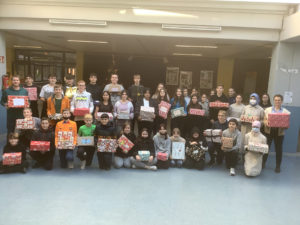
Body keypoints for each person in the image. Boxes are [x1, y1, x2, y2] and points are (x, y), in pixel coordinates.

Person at [263, 94, 291, 173]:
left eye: (279, 100)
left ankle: (278, 166)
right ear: (273, 101)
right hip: (269, 131)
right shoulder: (267, 110)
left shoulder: (286, 112)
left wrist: (284, 126)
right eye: (275, 100)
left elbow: (287, 124)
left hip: (279, 133)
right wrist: (266, 123)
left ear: (281, 101)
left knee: (279, 150)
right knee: (266, 148)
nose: (277, 101)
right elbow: (264, 119)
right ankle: (263, 163)